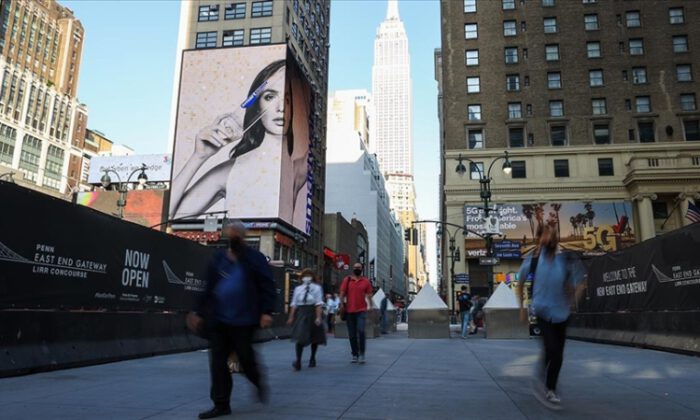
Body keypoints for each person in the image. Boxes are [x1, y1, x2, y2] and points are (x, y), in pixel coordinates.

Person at [170, 59, 308, 226]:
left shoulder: (297, 168)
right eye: (270, 96)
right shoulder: (231, 171)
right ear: (256, 104)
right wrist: (199, 157)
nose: (281, 107)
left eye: (289, 98)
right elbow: (169, 217)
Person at [187, 220, 277, 419]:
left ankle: (257, 380)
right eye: (230, 233)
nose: (233, 237)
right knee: (218, 362)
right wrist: (197, 312)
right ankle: (221, 404)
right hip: (219, 320)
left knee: (246, 358)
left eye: (236, 234)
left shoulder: (255, 258)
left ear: (243, 237)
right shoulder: (219, 259)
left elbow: (267, 285)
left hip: (244, 320)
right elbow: (208, 287)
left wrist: (266, 312)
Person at [517, 224, 585, 409]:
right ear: (539, 239)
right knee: (552, 348)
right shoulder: (532, 261)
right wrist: (522, 308)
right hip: (542, 310)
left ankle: (548, 385)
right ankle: (549, 387)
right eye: (545, 235)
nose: (548, 238)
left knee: (557, 354)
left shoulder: (566, 260)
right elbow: (520, 283)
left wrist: (574, 298)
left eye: (551, 235)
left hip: (562, 312)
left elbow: (580, 283)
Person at [287, 269, 326, 370]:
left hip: (312, 312)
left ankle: (312, 358)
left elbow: (318, 303)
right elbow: (294, 304)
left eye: (309, 275)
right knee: (299, 337)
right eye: (305, 275)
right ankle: (298, 360)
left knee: (315, 337)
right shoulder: (298, 289)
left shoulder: (317, 288)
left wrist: (318, 317)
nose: (307, 277)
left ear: (313, 277)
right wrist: (291, 317)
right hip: (302, 313)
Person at [339, 263, 373, 364]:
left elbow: (369, 295)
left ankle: (362, 354)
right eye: (355, 268)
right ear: (353, 269)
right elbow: (342, 293)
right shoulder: (347, 280)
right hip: (349, 311)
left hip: (361, 311)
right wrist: (341, 305)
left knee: (361, 331)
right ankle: (355, 354)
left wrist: (370, 306)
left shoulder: (366, 281)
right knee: (352, 335)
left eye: (358, 268)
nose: (357, 269)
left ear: (362, 269)